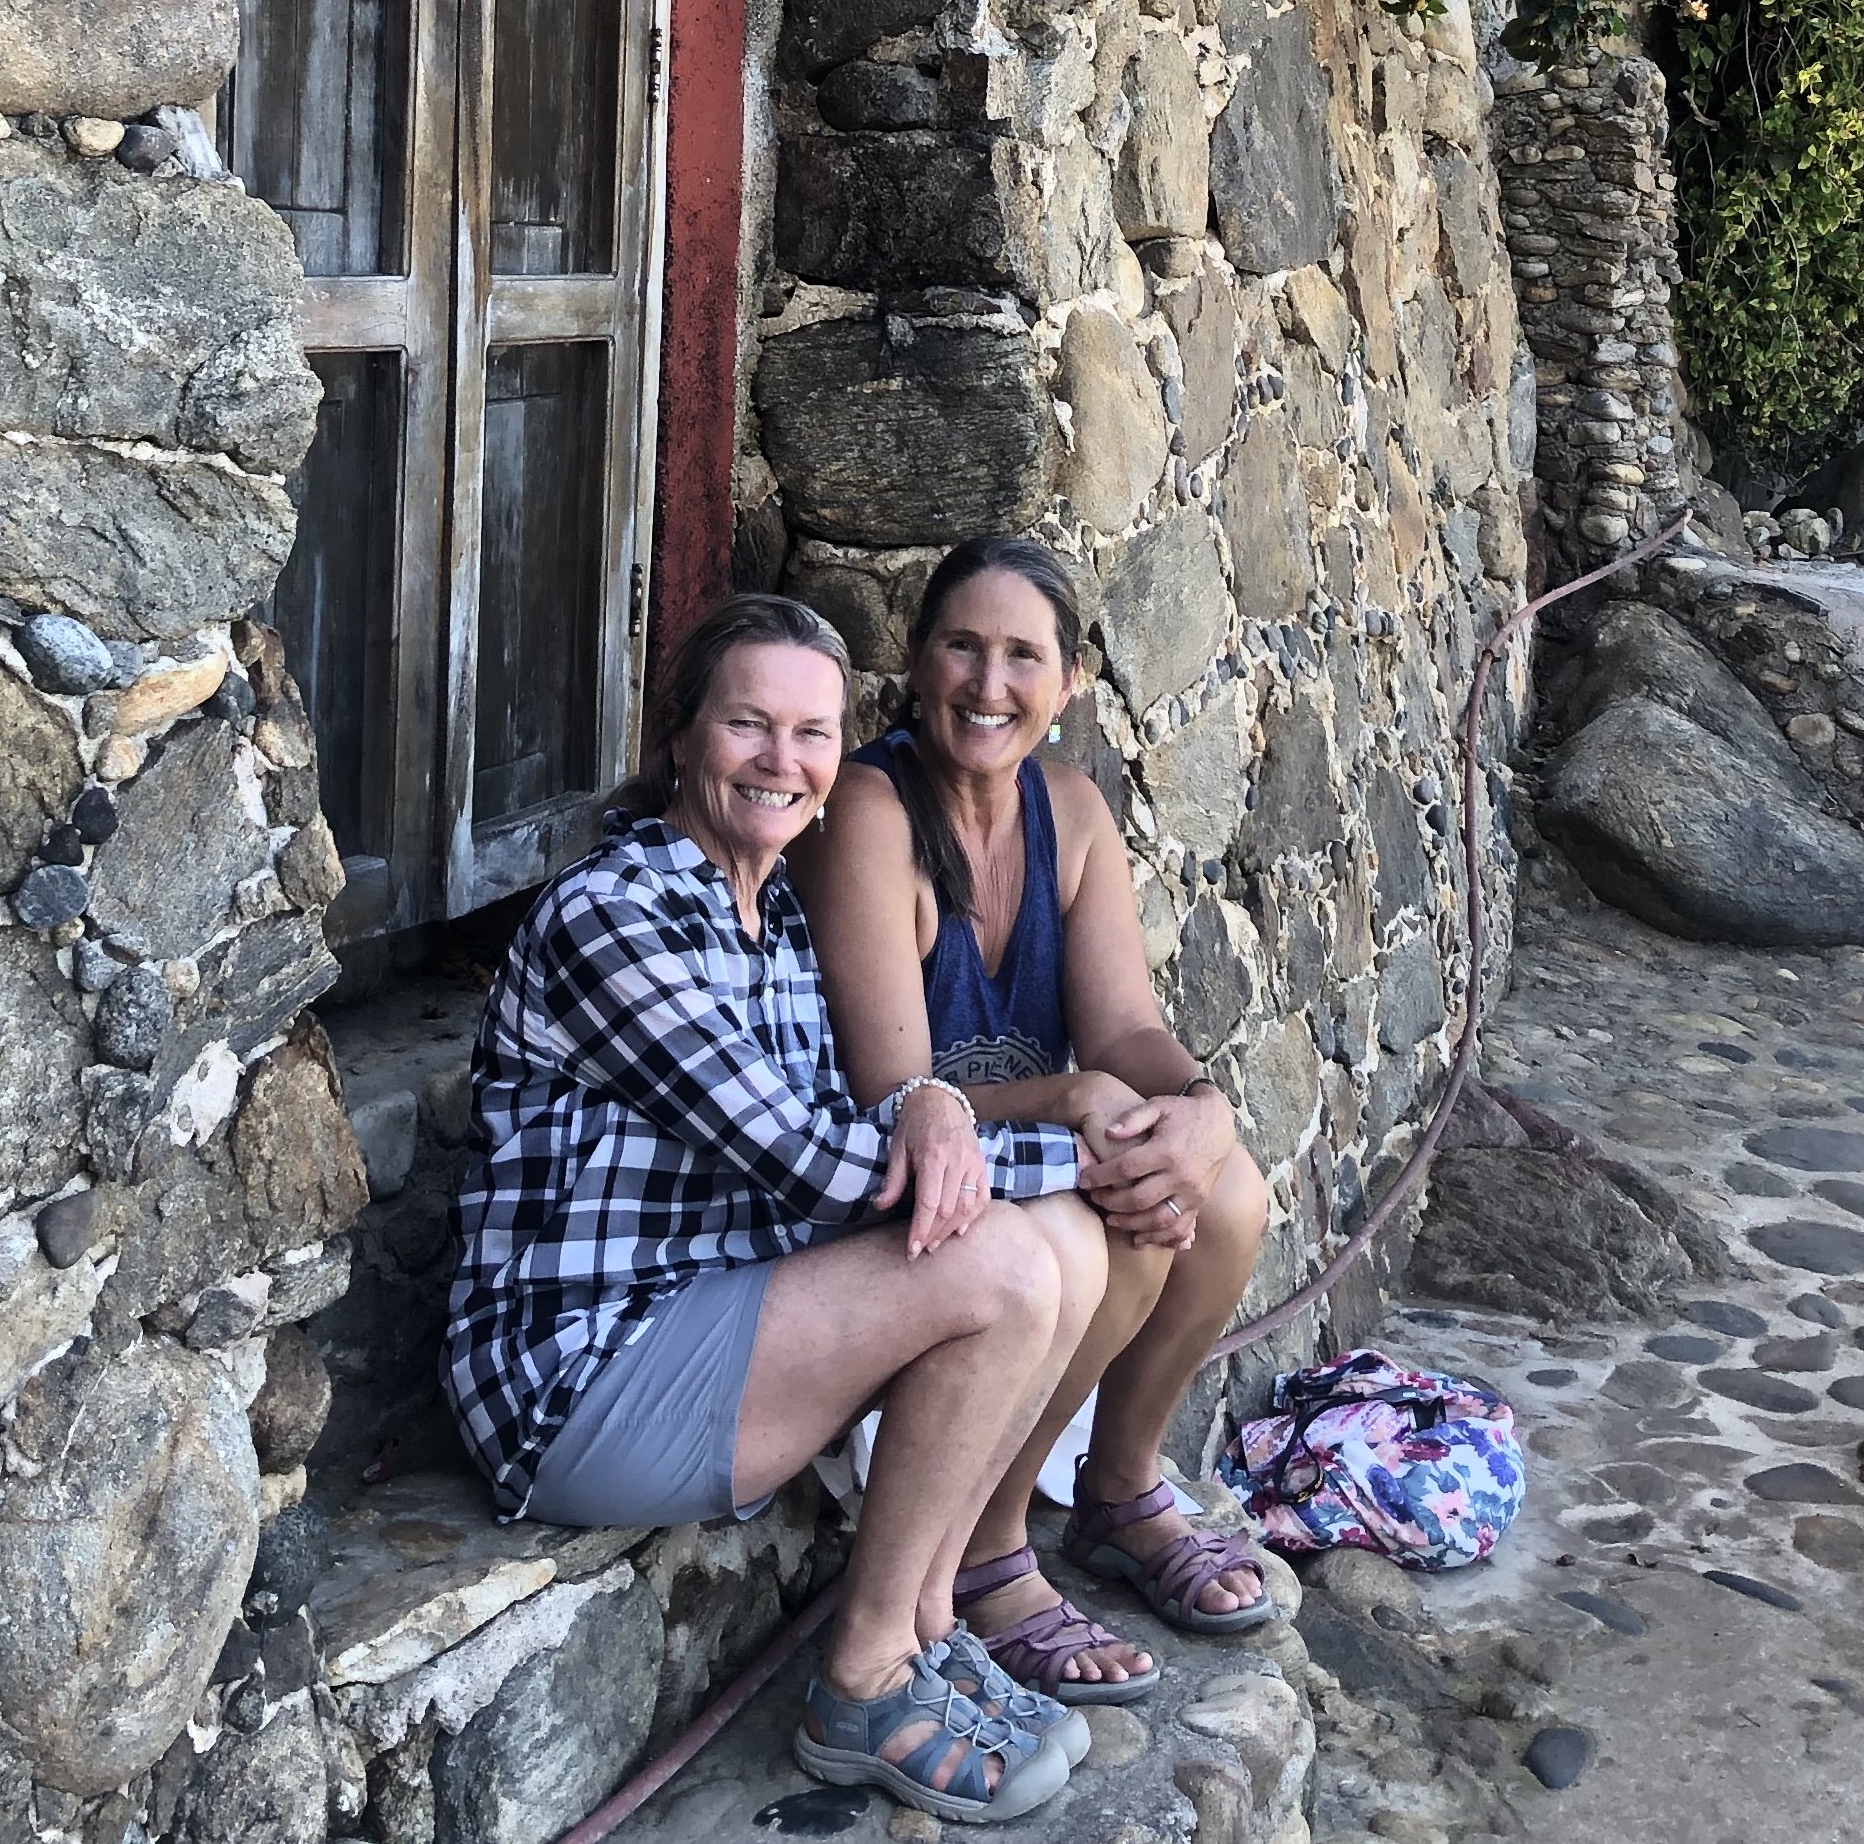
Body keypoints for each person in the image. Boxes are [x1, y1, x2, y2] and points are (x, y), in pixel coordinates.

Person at [442, 591, 1114, 1824]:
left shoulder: (776, 917)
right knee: (1014, 1261)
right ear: (684, 735)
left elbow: (870, 1126)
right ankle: (858, 1688)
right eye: (748, 723)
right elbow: (810, 1161)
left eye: (812, 735)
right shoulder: (617, 913)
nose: (783, 761)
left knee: (1063, 1247)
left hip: (714, 1319)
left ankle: (917, 1624)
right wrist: (1088, 1152)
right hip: (580, 1377)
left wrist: (960, 1121)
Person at [792, 535, 1273, 1710]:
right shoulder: (870, 807)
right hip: (902, 1185)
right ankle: (992, 1543)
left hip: (1025, 1164)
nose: (988, 683)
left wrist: (1198, 1107)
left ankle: (1116, 1486)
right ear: (916, 662)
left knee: (1227, 1193)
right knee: (1112, 1224)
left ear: (1069, 684)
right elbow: (894, 1094)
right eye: (962, 644)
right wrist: (1069, 1097)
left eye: (1022, 655)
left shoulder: (1072, 810)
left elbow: (1122, 1027)